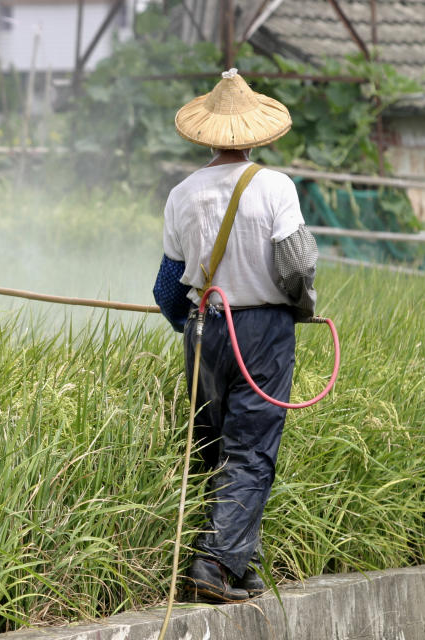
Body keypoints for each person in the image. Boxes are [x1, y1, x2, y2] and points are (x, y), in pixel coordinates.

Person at [152, 68, 318, 603]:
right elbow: (296, 269)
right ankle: (214, 564)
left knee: (214, 445)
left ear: (207, 136)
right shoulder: (275, 187)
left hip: (204, 331)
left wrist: (194, 322)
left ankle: (239, 565)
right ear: (254, 134)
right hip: (261, 332)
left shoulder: (182, 193)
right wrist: (300, 309)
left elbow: (165, 289)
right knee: (251, 450)